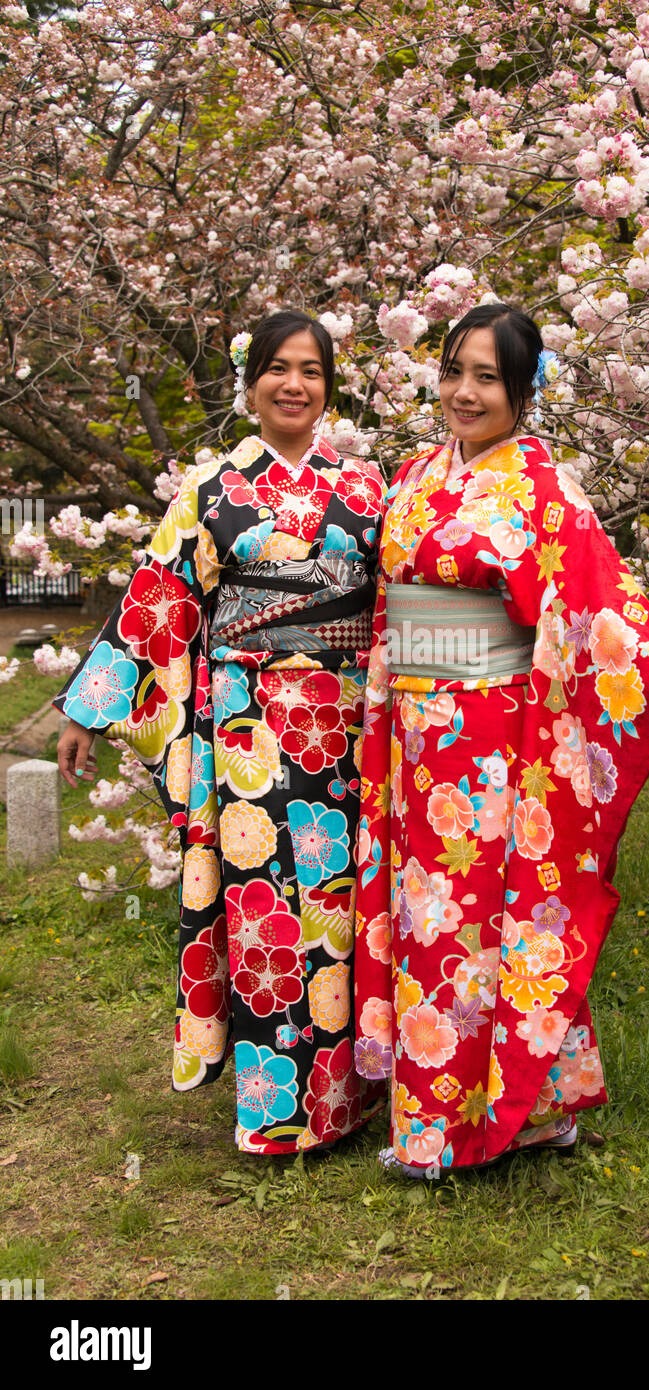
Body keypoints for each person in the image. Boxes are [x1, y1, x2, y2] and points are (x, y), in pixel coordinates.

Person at [353, 303, 649, 1176]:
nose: (462, 392)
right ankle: (534, 1105)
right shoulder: (414, 474)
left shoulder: (542, 486)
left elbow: (601, 602)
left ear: (523, 392)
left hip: (493, 734)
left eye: (486, 378)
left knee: (479, 916)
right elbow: (389, 604)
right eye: (453, 371)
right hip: (417, 729)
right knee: (435, 916)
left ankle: (446, 1130)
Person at [55, 309, 387, 1154]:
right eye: (278, 368)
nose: (294, 384)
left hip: (345, 724)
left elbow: (406, 601)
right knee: (262, 907)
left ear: (328, 389)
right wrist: (90, 709)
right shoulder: (208, 493)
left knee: (339, 906)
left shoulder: (368, 490)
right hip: (251, 729)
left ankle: (344, 1099)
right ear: (249, 385)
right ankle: (274, 1110)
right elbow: (158, 600)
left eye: (312, 371)